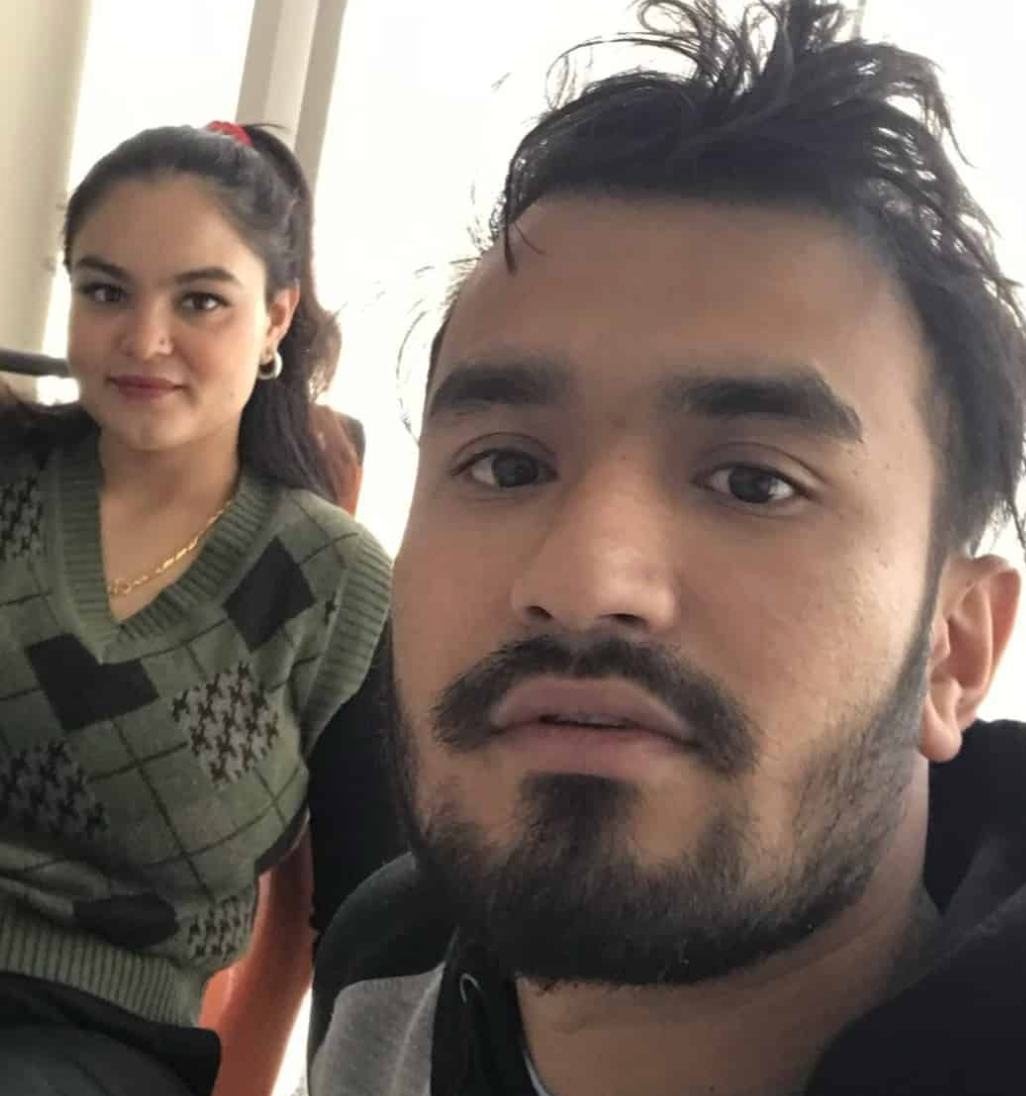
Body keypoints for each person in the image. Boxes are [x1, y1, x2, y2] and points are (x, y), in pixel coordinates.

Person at [308, 2, 1026, 1094]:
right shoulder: (385, 971)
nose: (582, 581)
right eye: (507, 465)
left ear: (955, 651)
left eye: (755, 483)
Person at [0, 121, 394, 1095]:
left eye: (201, 300)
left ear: (275, 319)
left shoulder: (328, 580)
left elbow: (365, 911)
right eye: (105, 292)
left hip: (102, 1039)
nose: (144, 340)